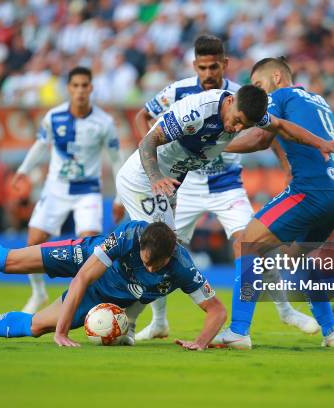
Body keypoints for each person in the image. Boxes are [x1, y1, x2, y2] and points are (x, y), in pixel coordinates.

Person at [133, 34, 317, 341]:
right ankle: (159, 321)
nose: (208, 74)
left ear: (225, 65)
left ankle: (285, 311)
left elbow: (268, 133)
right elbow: (143, 117)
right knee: (157, 247)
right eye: (202, 67)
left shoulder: (242, 96)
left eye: (213, 67)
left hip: (226, 185)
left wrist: (287, 168)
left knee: (253, 244)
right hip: (184, 185)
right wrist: (153, 164)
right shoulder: (177, 91)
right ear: (195, 65)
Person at [0, 221, 226, 350]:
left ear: (171, 257)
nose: (150, 267)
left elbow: (216, 310)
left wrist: (200, 341)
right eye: (146, 260)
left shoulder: (184, 268)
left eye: (156, 265)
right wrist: (63, 332)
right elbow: (83, 276)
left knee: (36, 326)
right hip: (85, 259)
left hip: (106, 294)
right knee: (4, 262)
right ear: (140, 247)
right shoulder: (127, 238)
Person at [210, 57, 334, 349]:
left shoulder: (280, 96)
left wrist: (213, 147)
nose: (259, 95)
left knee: (246, 243)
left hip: (311, 189)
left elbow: (261, 138)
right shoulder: (319, 100)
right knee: (302, 257)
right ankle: (332, 332)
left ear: (276, 77)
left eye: (260, 86)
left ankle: (238, 331)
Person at [12, 66, 125, 314]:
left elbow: (116, 159)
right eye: (76, 86)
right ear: (69, 88)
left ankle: (85, 300)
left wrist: (120, 196)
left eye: (85, 85)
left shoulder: (104, 122)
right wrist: (22, 169)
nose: (80, 91)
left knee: (91, 248)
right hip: (56, 189)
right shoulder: (53, 117)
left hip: (87, 191)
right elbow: (41, 145)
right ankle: (38, 292)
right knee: (33, 242)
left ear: (91, 88)